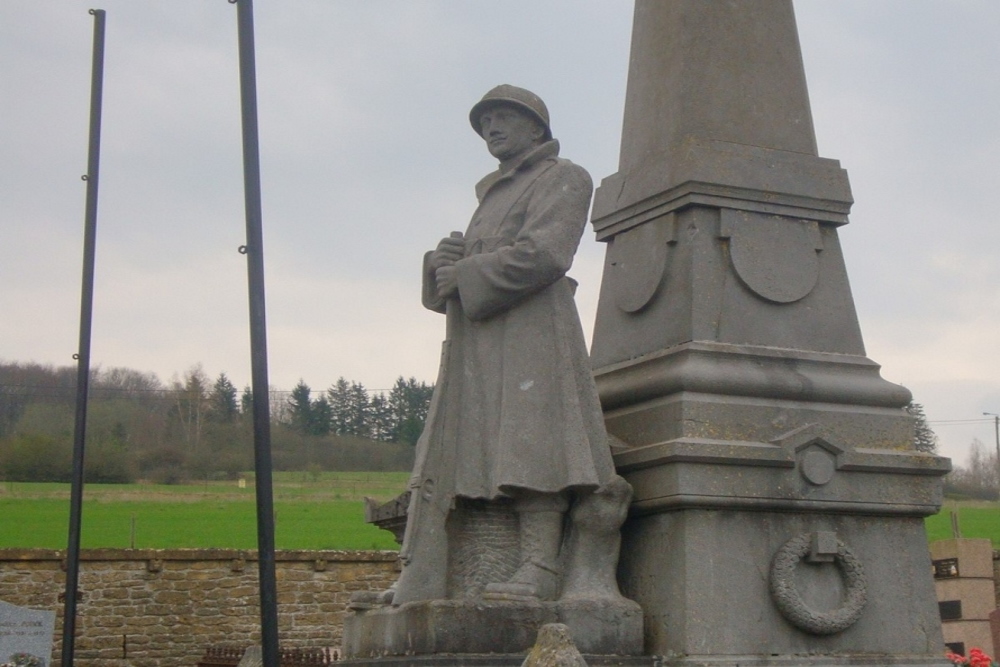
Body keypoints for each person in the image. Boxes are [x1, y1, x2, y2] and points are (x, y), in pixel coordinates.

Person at [394, 84, 616, 604]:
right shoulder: (490, 193)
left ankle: (541, 567)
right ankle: (443, 574)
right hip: (480, 339)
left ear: (536, 128)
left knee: (533, 442)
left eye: (503, 118)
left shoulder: (564, 178)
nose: (491, 128)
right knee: (472, 449)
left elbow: (546, 254)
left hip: (533, 331)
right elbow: (462, 279)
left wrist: (467, 269)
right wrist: (443, 262)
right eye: (485, 120)